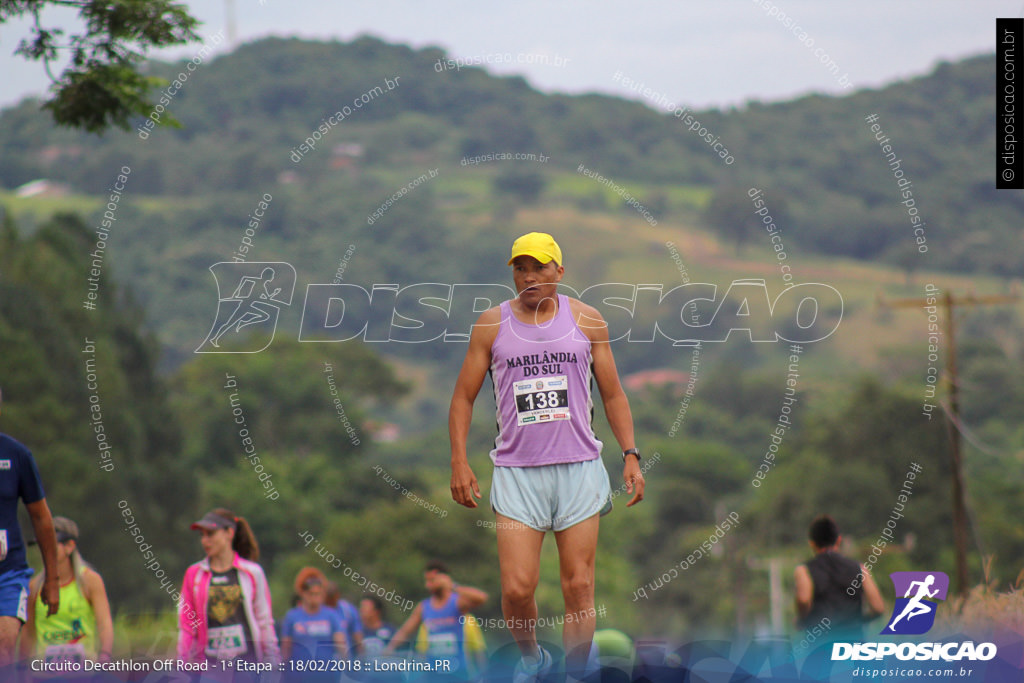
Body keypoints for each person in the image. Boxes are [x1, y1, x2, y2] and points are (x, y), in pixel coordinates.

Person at [448, 232, 645, 681]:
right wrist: (459, 461)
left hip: (578, 467)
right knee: (517, 589)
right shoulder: (491, 324)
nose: (529, 276)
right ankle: (534, 661)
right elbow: (462, 399)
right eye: (520, 267)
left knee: (579, 586)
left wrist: (631, 454)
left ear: (560, 271)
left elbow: (612, 395)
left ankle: (574, 676)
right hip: (517, 473)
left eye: (539, 267)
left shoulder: (588, 320)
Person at [177, 508, 280, 674]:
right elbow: (187, 626)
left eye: (210, 534)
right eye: (202, 535)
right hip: (211, 669)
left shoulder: (252, 573)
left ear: (229, 533)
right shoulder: (194, 574)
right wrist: (182, 667)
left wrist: (274, 664)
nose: (205, 541)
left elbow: (265, 622)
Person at [0, 386, 59, 671]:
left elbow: (41, 518)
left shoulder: (17, 455)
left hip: (8, 573)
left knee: (5, 642)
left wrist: (52, 579)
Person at [19, 516, 113, 669]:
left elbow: (104, 623)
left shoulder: (90, 581)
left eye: (51, 545)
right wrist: (23, 671)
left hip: (83, 672)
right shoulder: (35, 587)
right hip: (46, 675)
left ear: (69, 546)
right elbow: (28, 634)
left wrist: (104, 655)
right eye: (41, 546)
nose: (45, 551)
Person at [383, 561, 488, 675]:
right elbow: (405, 630)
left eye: (431, 581)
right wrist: (389, 649)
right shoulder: (424, 607)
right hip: (434, 673)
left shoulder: (457, 602)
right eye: (426, 581)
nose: (427, 585)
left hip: (458, 671)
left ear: (442, 579)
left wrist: (452, 586)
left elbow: (481, 598)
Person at [794, 515, 885, 639]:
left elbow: (804, 600)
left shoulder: (804, 570)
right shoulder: (860, 569)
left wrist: (803, 620)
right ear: (838, 540)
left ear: (812, 543)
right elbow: (878, 607)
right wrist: (860, 621)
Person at [280, 567, 345, 681]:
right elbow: (286, 647)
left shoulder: (331, 616)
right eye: (311, 594)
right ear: (303, 594)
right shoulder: (292, 616)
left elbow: (341, 645)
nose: (314, 598)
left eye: (318, 594)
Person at [325, 582, 364, 657]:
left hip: (345, 657)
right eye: (328, 596)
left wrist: (362, 656)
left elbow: (357, 635)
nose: (330, 600)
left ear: (337, 595)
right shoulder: (319, 611)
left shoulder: (348, 610)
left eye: (332, 596)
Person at [359, 595, 394, 659]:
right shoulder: (358, 632)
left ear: (376, 611)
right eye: (361, 607)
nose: (361, 610)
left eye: (365, 607)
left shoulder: (390, 631)